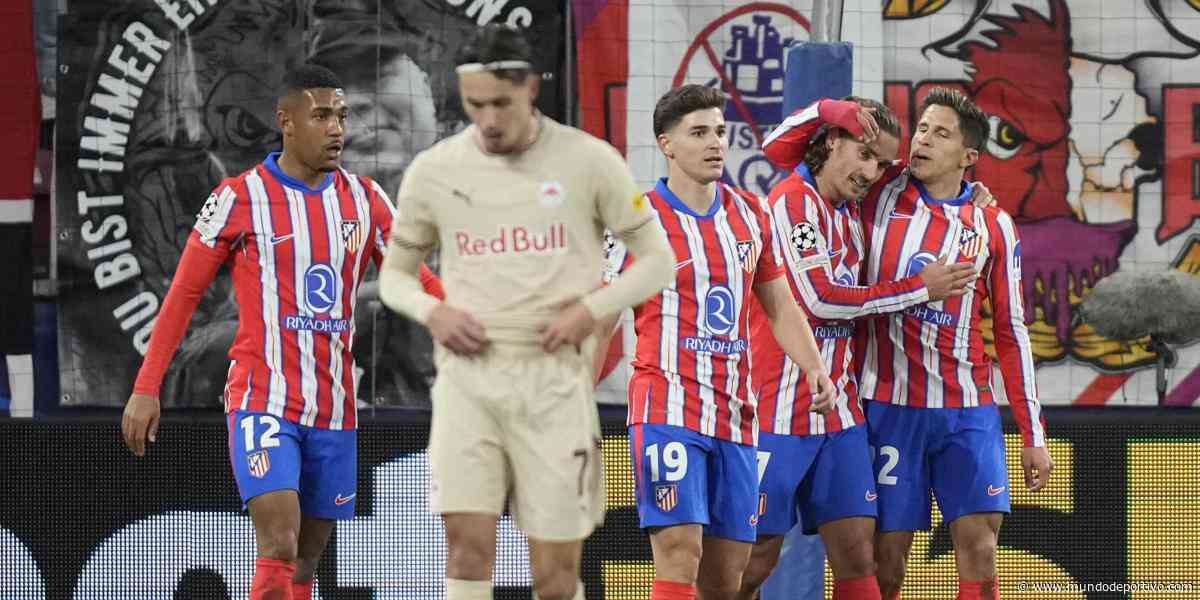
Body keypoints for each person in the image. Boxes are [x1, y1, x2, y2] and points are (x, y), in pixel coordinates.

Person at [122, 64, 443, 600]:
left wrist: (472, 327)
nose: (338, 128)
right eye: (322, 116)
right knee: (279, 543)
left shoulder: (367, 200)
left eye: (340, 116)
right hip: (262, 397)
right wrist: (147, 385)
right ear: (286, 121)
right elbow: (183, 295)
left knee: (305, 562)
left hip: (336, 406)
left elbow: (418, 279)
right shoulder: (239, 196)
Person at [378, 24, 675, 600]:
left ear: (531, 89)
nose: (488, 120)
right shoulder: (436, 170)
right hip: (469, 381)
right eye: (475, 105)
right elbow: (394, 274)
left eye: (501, 104)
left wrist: (592, 309)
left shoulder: (589, 161)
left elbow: (656, 262)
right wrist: (430, 311)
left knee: (556, 573)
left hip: (554, 385)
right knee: (466, 552)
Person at [763, 88, 1053, 600]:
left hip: (967, 409)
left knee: (981, 550)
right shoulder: (878, 191)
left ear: (969, 158)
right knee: (884, 565)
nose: (921, 140)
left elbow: (1010, 330)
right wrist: (832, 113)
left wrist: (1032, 433)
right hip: (888, 406)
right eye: (922, 128)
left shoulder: (992, 224)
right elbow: (792, 159)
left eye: (940, 134)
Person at [739, 97, 976, 600]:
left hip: (841, 415)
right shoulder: (792, 202)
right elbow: (820, 300)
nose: (873, 172)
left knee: (858, 555)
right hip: (775, 410)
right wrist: (920, 287)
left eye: (883, 163)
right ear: (832, 142)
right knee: (754, 559)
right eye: (865, 155)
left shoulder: (850, 215)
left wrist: (977, 196)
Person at [622, 84, 834, 600]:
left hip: (737, 418)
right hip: (665, 405)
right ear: (666, 145)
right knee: (679, 552)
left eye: (720, 131)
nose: (715, 142)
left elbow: (779, 303)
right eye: (699, 133)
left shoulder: (750, 213)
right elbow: (598, 310)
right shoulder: (635, 217)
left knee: (727, 577)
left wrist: (814, 367)